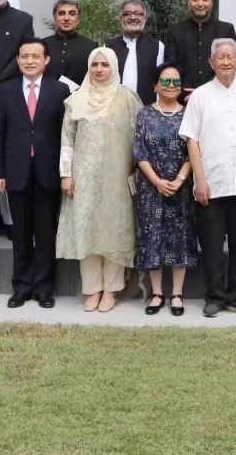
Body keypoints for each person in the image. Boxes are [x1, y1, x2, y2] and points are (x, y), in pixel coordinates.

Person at [180, 38, 236, 318]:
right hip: (212, 182)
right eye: (220, 56)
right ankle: (215, 296)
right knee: (211, 244)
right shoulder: (200, 96)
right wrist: (200, 180)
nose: (226, 61)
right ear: (211, 62)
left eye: (231, 56)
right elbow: (192, 141)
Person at [56, 47, 143, 313]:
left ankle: (112, 289)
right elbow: (67, 141)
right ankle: (91, 289)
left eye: (105, 64)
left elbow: (140, 137)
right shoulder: (76, 99)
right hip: (84, 178)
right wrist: (66, 175)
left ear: (114, 67)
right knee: (87, 231)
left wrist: (138, 175)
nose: (99, 69)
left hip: (118, 176)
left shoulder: (127, 98)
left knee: (114, 229)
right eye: (95, 65)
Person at [0, 38, 71, 308]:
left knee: (46, 235)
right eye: (24, 56)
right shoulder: (4, 91)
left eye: (35, 56)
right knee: (20, 236)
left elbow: (66, 135)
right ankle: (21, 288)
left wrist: (65, 173)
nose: (29, 61)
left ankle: (44, 289)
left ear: (46, 60)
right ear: (18, 59)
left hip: (48, 173)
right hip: (16, 172)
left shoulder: (60, 91)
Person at [134, 64, 198, 316]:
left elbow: (195, 150)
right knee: (153, 237)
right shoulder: (144, 114)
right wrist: (157, 181)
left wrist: (180, 179)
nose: (171, 86)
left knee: (180, 237)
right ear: (155, 85)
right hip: (151, 188)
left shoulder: (190, 114)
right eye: (165, 81)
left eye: (175, 82)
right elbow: (139, 150)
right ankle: (158, 293)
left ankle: (177, 294)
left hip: (181, 187)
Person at [164, 0, 236, 94]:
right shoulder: (175, 31)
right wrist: (187, 92)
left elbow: (229, 65)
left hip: (217, 95)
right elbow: (171, 66)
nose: (200, 3)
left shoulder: (226, 30)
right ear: (188, 2)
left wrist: (205, 92)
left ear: (212, 2)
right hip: (183, 97)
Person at [106, 0, 165, 103]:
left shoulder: (157, 46)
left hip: (147, 109)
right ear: (121, 19)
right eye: (127, 14)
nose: (133, 17)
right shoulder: (109, 46)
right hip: (115, 109)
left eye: (138, 14)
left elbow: (161, 81)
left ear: (145, 18)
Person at [42, 0, 96, 86]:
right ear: (55, 19)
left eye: (72, 14)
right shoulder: (43, 45)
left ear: (78, 20)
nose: (66, 18)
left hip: (79, 98)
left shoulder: (91, 46)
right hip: (47, 97)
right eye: (62, 13)